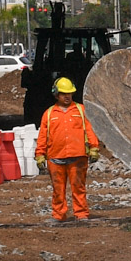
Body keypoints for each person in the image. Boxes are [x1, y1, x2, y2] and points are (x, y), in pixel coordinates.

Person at [35, 77, 104, 223]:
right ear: (56, 94)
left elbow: (89, 130)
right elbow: (42, 136)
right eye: (63, 93)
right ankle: (58, 215)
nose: (67, 96)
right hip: (55, 157)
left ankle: (81, 214)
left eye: (69, 93)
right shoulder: (49, 114)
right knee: (58, 190)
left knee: (78, 187)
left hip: (77, 156)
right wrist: (40, 154)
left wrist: (94, 147)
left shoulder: (81, 110)